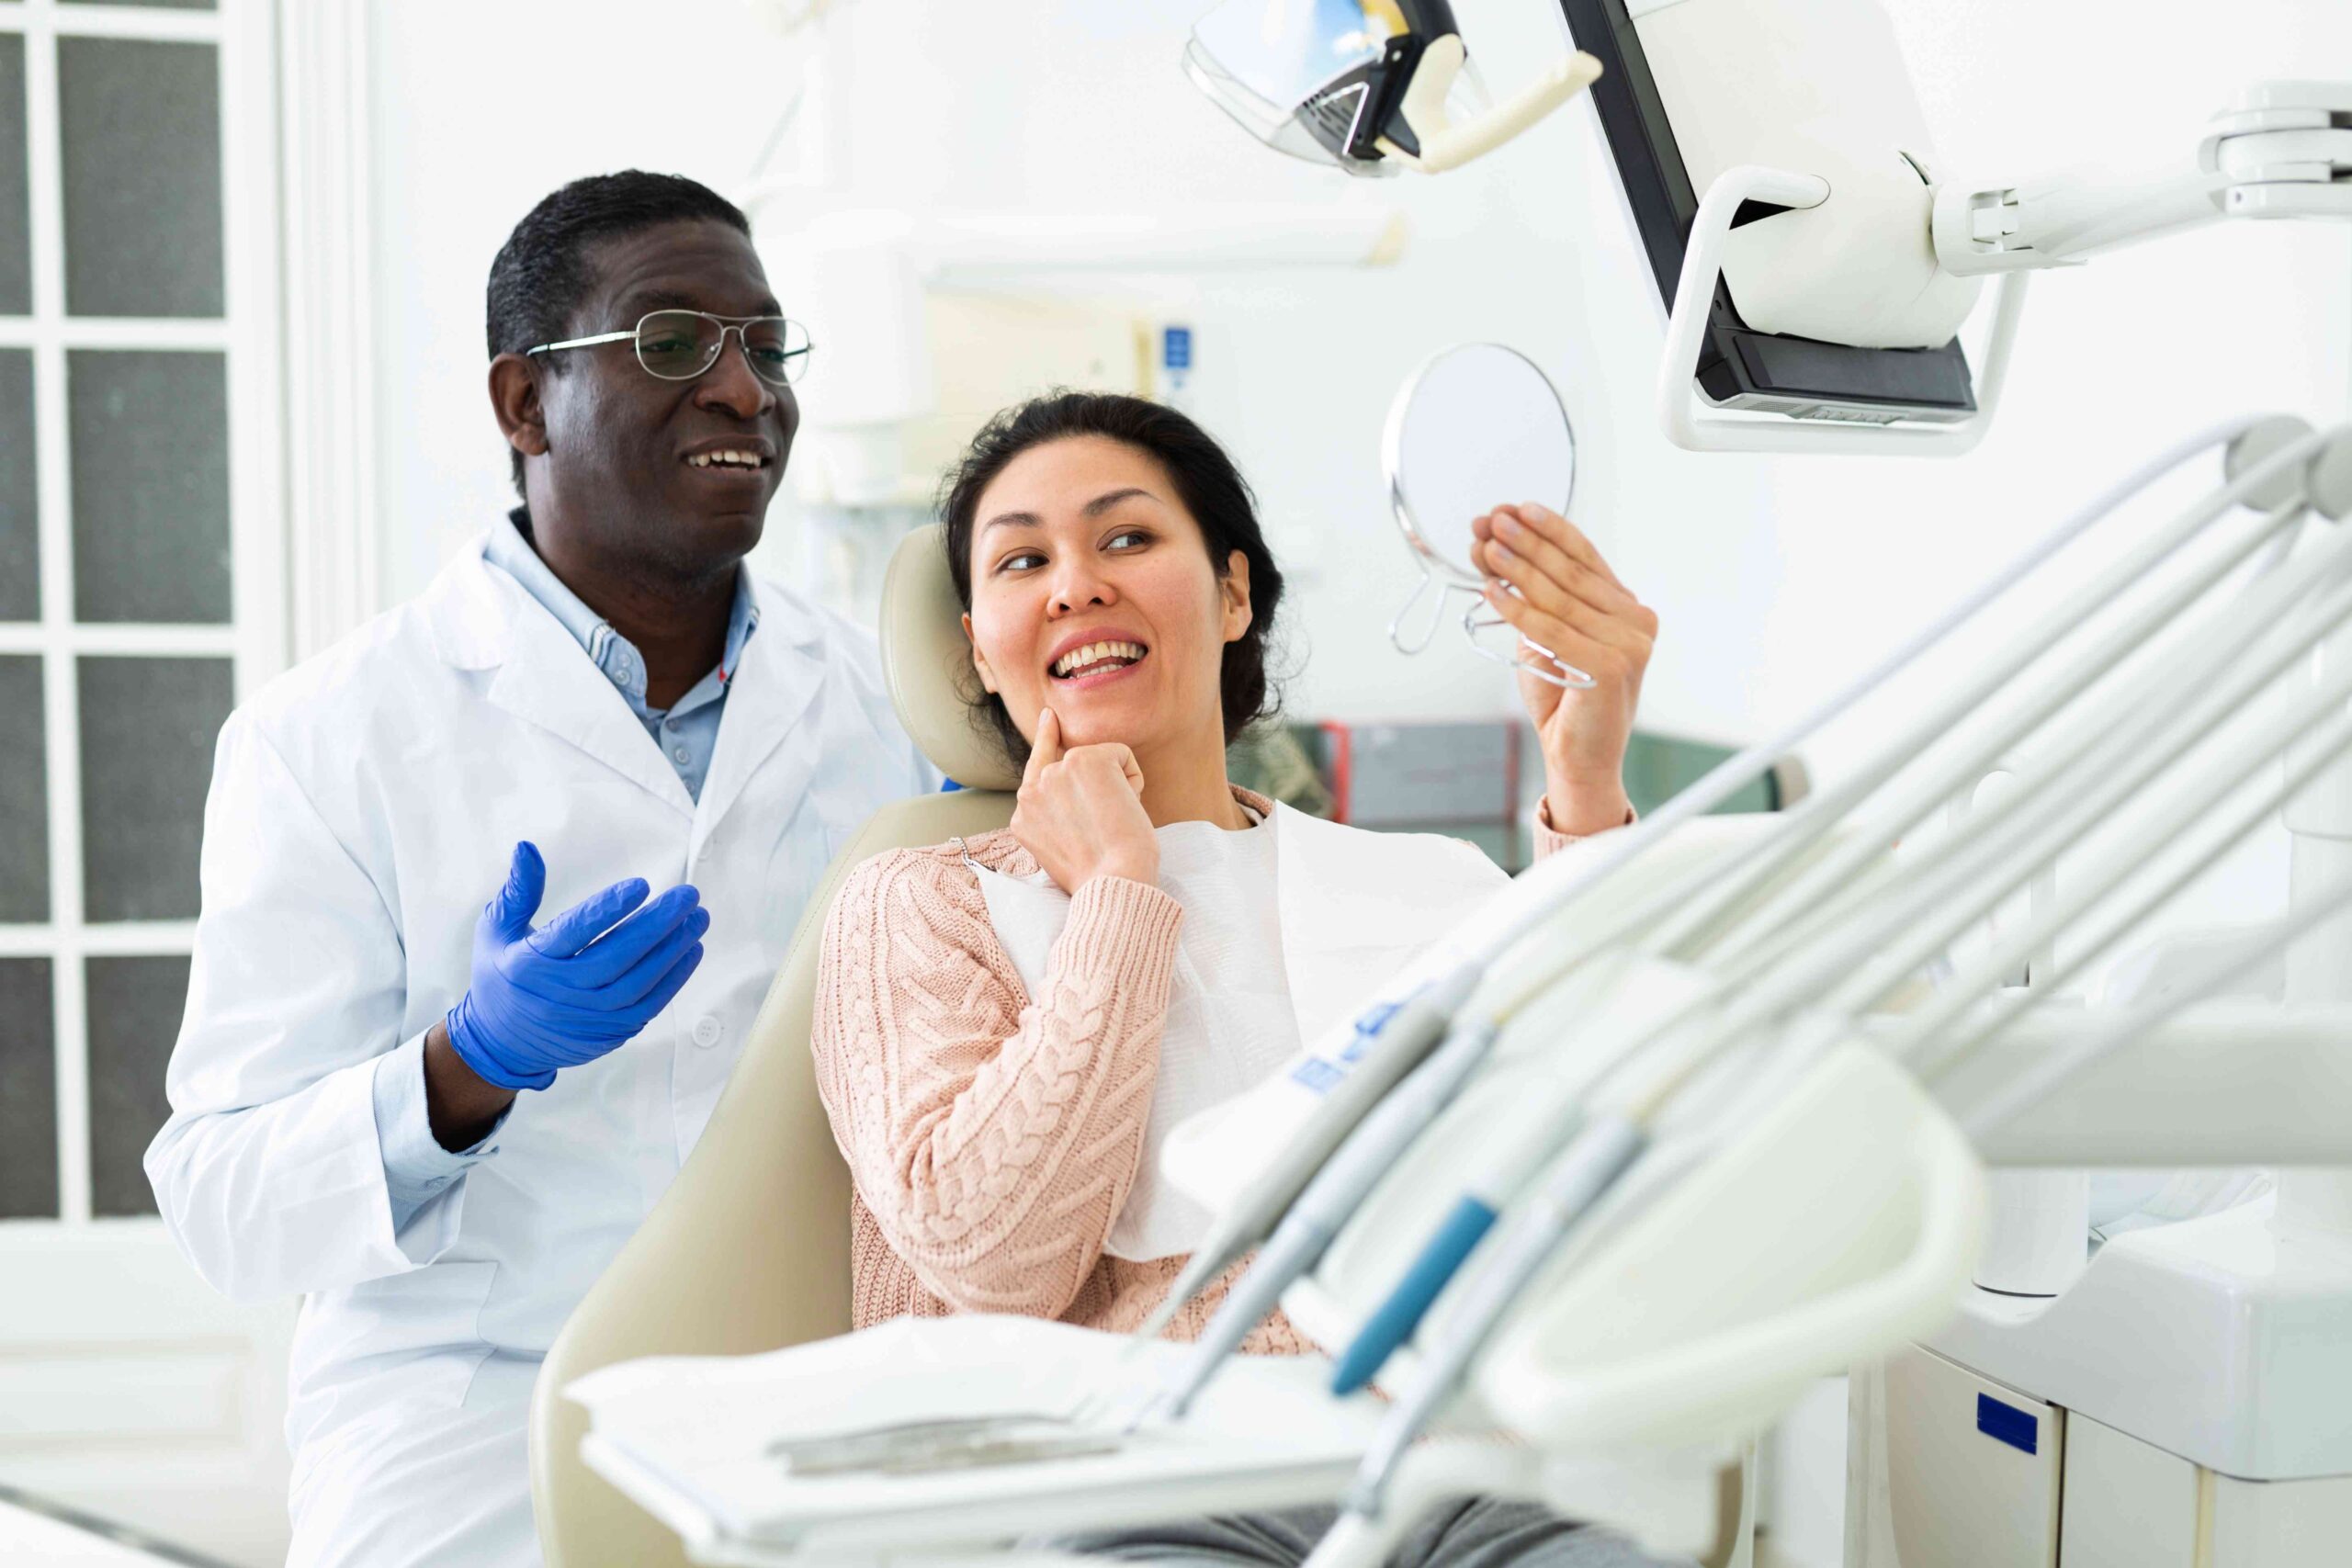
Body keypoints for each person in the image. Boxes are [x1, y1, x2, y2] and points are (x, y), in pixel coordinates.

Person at [146, 171, 930, 1568]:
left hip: (820, 1391)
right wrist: (464, 1063)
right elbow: (225, 1203)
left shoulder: (881, 705)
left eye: (766, 344)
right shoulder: (327, 737)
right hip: (472, 1422)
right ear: (523, 404)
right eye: (677, 341)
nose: (747, 392)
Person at [811, 392, 1674, 1564]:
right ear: (979, 645)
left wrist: (1585, 791)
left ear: (1231, 595)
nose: (1074, 585)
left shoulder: (1421, 883)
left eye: (1125, 538)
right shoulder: (920, 902)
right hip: (1118, 1484)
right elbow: (991, 1260)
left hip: (1450, 1471)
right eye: (1022, 560)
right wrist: (1118, 896)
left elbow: (1610, 1165)